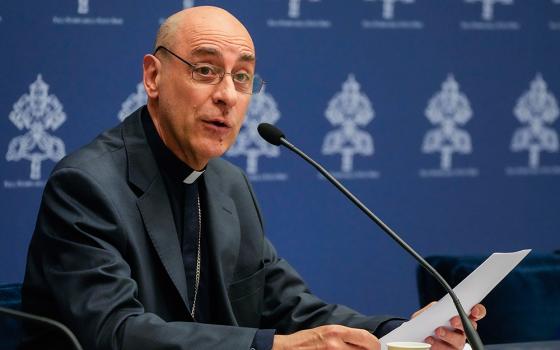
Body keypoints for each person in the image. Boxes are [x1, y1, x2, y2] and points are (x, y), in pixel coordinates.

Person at [22, 6, 486, 350]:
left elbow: (289, 307)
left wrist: (403, 333)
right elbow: (112, 333)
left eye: (242, 77)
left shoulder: (229, 186)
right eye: (205, 70)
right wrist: (278, 347)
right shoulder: (86, 185)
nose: (226, 95)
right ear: (153, 76)